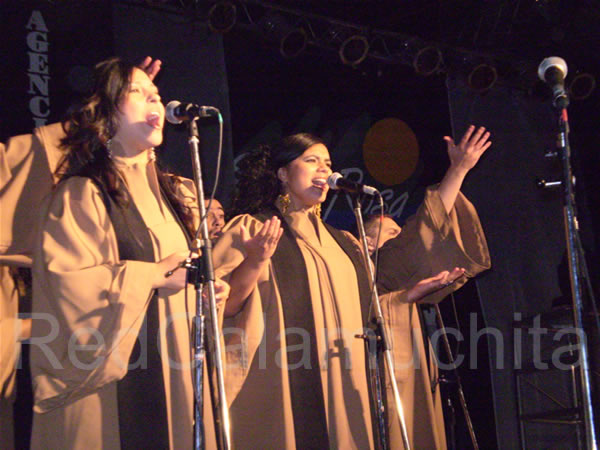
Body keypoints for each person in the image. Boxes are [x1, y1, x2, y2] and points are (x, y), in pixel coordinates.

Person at [212, 128, 491, 448]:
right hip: (288, 387)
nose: (324, 170)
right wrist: (255, 261)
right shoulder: (252, 228)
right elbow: (223, 307)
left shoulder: (344, 244)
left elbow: (390, 280)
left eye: (328, 163)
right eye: (312, 160)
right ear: (283, 173)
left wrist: (405, 298)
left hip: (347, 387)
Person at [28, 57, 229, 449]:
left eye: (157, 95)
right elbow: (68, 287)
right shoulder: (80, 193)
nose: (156, 102)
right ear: (104, 114)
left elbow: (175, 272)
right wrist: (152, 275)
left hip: (173, 376)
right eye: (138, 93)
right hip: (112, 386)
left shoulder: (173, 195)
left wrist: (203, 291)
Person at [0, 57, 161, 449]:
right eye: (136, 95)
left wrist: (123, 99)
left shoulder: (129, 178)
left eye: (155, 95)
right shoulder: (31, 164)